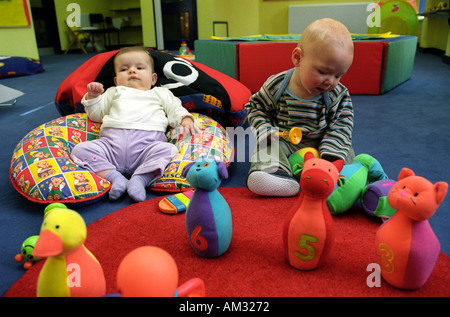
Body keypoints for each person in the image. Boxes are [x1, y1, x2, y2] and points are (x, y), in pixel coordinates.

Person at [71, 46, 198, 202]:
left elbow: (174, 108)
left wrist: (185, 118)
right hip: (110, 146)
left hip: (147, 147)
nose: (132, 71)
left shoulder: (159, 93)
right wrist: (93, 97)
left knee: (169, 150)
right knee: (80, 150)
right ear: (117, 81)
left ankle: (140, 179)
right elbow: (96, 115)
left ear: (153, 79)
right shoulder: (113, 92)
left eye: (139, 68)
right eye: (124, 69)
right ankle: (115, 177)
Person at [245, 18, 355, 197]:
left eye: (338, 75)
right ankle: (274, 173)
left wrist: (330, 157)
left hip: (322, 144)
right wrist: (265, 129)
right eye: (323, 72)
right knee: (267, 144)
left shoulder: (338, 94)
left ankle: (339, 180)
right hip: (285, 141)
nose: (330, 81)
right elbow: (256, 107)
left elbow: (342, 125)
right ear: (298, 58)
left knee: (345, 149)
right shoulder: (277, 85)